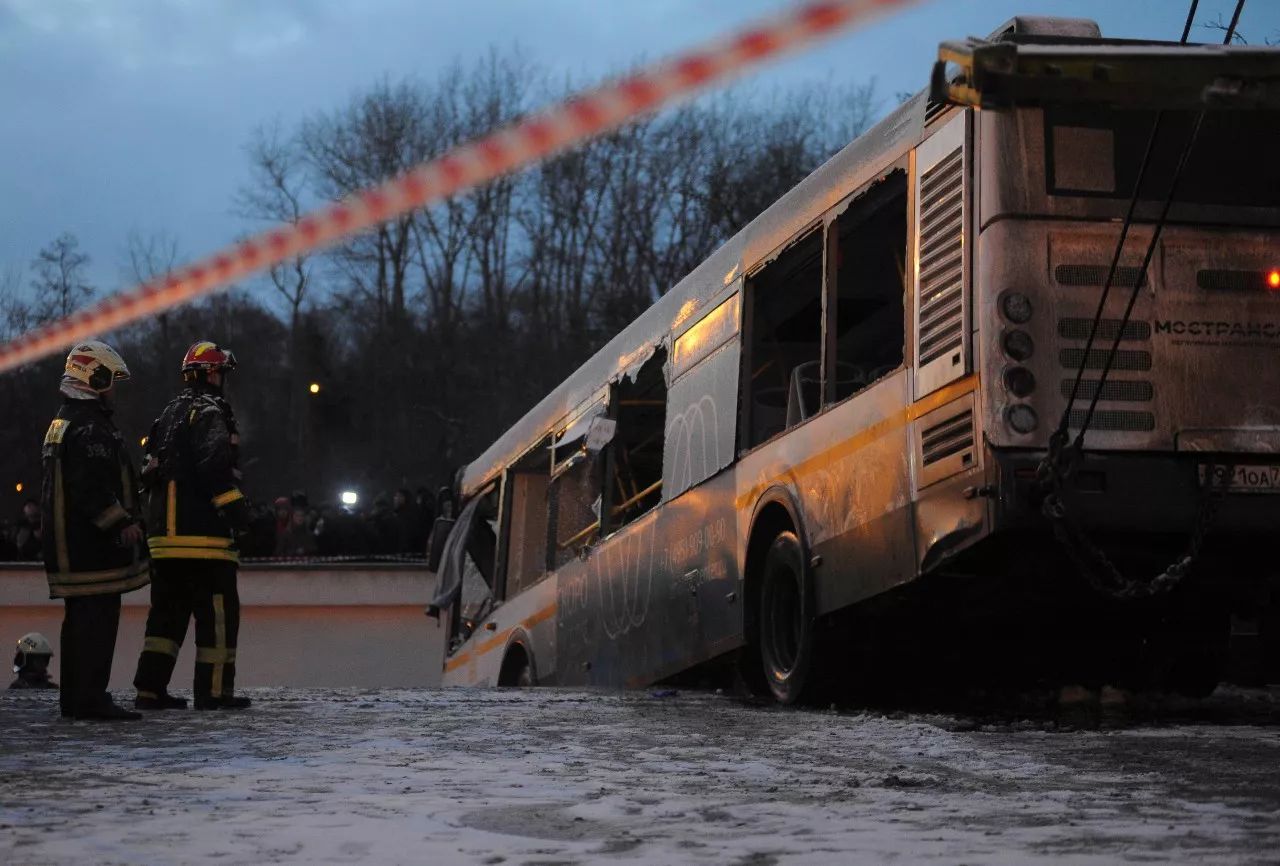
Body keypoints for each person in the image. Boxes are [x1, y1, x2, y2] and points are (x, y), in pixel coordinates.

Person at [133, 341, 252, 711]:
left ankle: (150, 690)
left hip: (163, 543)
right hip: (205, 541)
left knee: (166, 618)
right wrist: (240, 517)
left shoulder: (167, 414)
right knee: (217, 617)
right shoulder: (210, 413)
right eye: (221, 372)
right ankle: (214, 692)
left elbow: (148, 471)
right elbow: (216, 469)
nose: (222, 379)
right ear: (211, 374)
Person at [41, 340, 150, 720]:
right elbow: (90, 488)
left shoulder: (63, 420)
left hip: (69, 547)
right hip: (91, 551)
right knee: (96, 626)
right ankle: (90, 699)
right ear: (95, 378)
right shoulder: (89, 427)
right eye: (110, 381)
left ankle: (77, 699)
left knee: (79, 626)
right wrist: (121, 522)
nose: (113, 389)